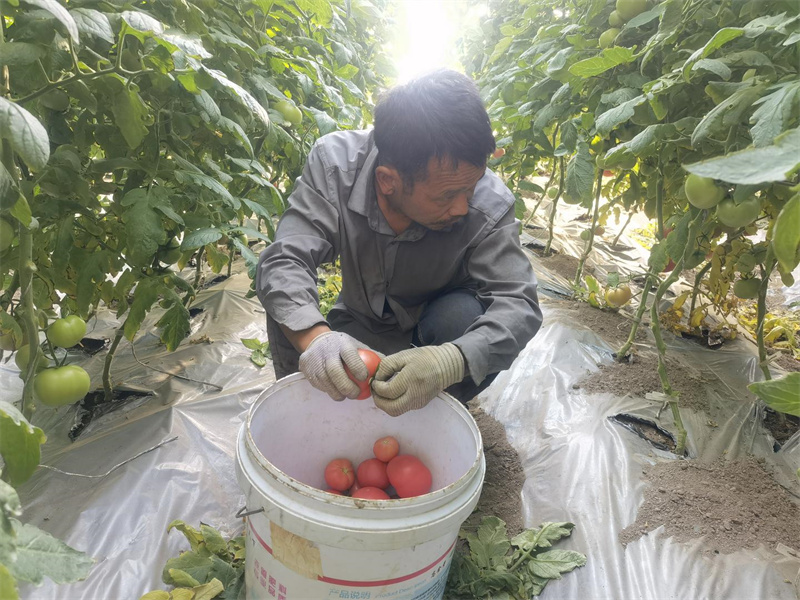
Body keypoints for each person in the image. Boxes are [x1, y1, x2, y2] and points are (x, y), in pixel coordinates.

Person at [255, 69, 542, 417]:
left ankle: (433, 415)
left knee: (462, 318)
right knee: (290, 308)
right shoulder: (336, 166)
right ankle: (306, 407)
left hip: (437, 333)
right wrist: (317, 339)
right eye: (448, 195)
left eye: (471, 187)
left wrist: (452, 360)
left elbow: (520, 302)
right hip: (359, 323)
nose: (462, 207)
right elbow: (285, 260)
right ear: (388, 180)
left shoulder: (489, 204)